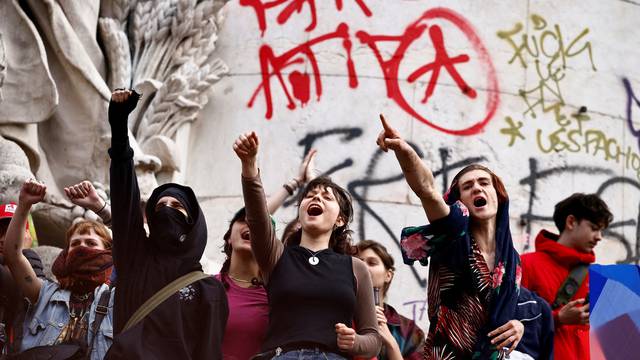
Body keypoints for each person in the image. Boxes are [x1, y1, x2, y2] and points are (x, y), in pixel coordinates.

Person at [376, 115, 524, 359]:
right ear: (459, 201)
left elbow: (515, 308)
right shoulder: (453, 234)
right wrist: (404, 150)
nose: (477, 188)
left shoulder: (512, 261)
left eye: (484, 183)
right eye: (468, 186)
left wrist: (519, 325)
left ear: (498, 195)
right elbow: (427, 190)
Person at [104, 89, 228, 360]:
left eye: (176, 207)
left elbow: (208, 352)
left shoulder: (209, 290)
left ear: (193, 224)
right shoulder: (134, 258)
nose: (167, 212)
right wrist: (119, 126)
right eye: (159, 207)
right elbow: (125, 194)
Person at [234, 131, 381, 359]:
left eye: (327, 197)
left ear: (340, 220)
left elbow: (373, 339)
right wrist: (249, 165)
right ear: (300, 211)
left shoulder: (355, 267)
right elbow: (256, 217)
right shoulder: (276, 256)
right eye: (310, 195)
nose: (316, 198)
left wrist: (355, 342)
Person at [217, 150, 317, 360]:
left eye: (255, 226)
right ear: (228, 237)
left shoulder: (279, 293)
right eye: (241, 221)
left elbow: (323, 239)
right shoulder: (207, 287)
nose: (249, 226)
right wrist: (295, 182)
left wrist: (311, 185)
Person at [3, 181, 114, 359]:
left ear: (107, 251)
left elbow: (138, 251)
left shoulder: (117, 299)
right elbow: (13, 256)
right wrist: (24, 204)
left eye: (91, 243)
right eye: (75, 244)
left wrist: (100, 208)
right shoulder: (43, 294)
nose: (81, 247)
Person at [521, 193, 612, 360]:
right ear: (571, 222)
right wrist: (557, 319)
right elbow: (511, 322)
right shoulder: (526, 265)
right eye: (593, 228)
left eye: (601, 230)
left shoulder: (596, 276)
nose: (599, 237)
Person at [355, 240, 426, 360]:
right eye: (358, 263)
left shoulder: (409, 330)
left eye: (372, 263)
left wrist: (391, 343)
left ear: (388, 275)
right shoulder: (338, 318)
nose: (363, 267)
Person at [0, 203, 45, 356]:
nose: (3, 238)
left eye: (11, 231)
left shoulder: (31, 259)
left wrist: (22, 253)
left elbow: (39, 300)